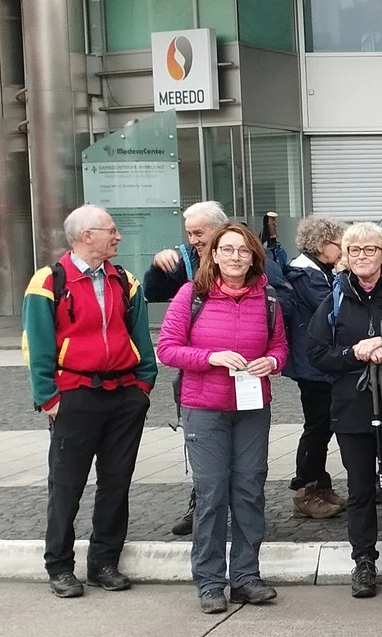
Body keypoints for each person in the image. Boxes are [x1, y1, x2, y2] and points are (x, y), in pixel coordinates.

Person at [23, 205, 158, 598]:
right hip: (74, 397)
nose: (117, 237)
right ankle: (60, 567)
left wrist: (143, 386)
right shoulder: (48, 282)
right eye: (110, 231)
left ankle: (103, 563)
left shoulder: (125, 281)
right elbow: (38, 344)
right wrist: (48, 398)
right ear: (86, 235)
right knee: (66, 485)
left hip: (124, 395)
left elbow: (141, 337)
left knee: (116, 483)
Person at [155, 221, 288, 613]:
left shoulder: (268, 299)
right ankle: (210, 582)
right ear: (213, 255)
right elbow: (168, 349)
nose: (235, 257)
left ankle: (246, 577)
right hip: (205, 409)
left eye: (243, 251)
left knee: (249, 491)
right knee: (212, 495)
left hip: (251, 409)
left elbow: (281, 347)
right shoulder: (190, 295)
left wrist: (272, 362)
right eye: (227, 250)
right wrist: (210, 357)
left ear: (253, 257)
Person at [307, 222, 382, 598]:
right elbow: (317, 352)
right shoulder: (335, 298)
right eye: (354, 251)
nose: (361, 258)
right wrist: (352, 353)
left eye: (370, 250)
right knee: (359, 489)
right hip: (353, 407)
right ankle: (364, 562)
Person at [146, 200, 228, 539]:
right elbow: (152, 292)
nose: (193, 239)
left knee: (244, 450)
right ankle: (202, 505)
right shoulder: (184, 260)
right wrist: (157, 267)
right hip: (195, 370)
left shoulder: (245, 253)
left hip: (239, 370)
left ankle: (243, 508)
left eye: (199, 232)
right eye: (190, 233)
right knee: (201, 444)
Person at [263, 214, 345, 521]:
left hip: (317, 364)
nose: (343, 251)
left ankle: (320, 485)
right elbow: (333, 311)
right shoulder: (304, 274)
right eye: (339, 245)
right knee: (317, 426)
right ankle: (306, 490)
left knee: (322, 426)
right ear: (323, 245)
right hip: (314, 367)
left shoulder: (315, 270)